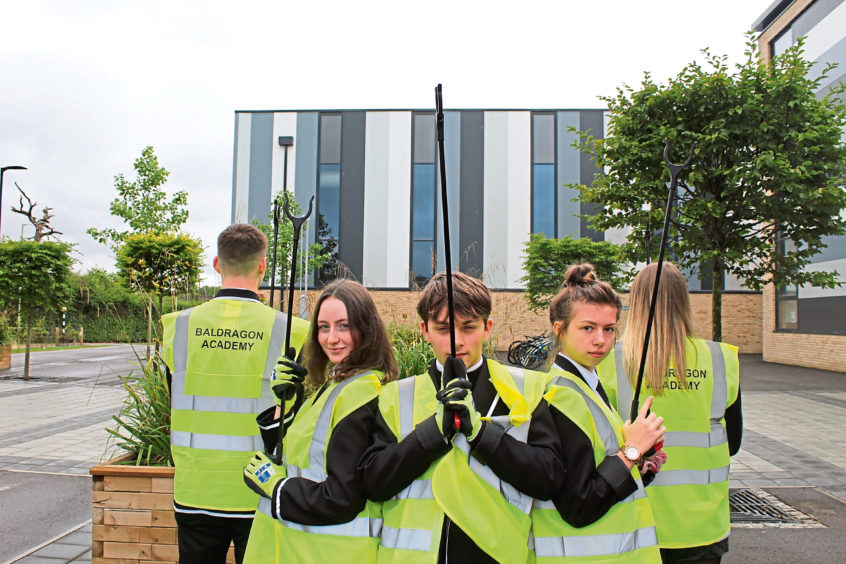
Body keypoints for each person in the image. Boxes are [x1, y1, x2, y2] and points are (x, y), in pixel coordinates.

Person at [359, 271, 563, 563]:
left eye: (469, 327)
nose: (457, 342)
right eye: (443, 329)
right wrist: (432, 434)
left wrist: (481, 434)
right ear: (425, 330)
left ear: (488, 327)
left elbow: (548, 479)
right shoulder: (395, 395)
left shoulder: (528, 388)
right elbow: (374, 483)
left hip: (496, 555)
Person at [161, 223, 309, 564]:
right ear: (262, 266)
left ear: (216, 264)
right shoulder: (291, 331)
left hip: (195, 486)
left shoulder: (177, 327)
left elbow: (174, 393)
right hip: (260, 486)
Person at [242, 279, 397, 563]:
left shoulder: (359, 393)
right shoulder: (335, 385)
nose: (331, 338)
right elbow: (299, 456)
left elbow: (341, 498)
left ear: (367, 328)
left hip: (327, 553)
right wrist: (287, 401)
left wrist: (276, 487)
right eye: (324, 327)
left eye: (343, 326)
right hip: (298, 549)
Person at [597, 262, 741, 564]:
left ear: (636, 302)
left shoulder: (611, 361)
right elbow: (734, 442)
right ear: (684, 300)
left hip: (635, 519)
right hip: (704, 525)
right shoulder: (720, 358)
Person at [532, 263, 665, 563]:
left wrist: (641, 462)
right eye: (587, 328)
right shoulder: (562, 394)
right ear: (560, 330)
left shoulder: (588, 385)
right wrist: (631, 452)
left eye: (609, 329)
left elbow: (599, 466)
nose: (600, 340)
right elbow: (578, 504)